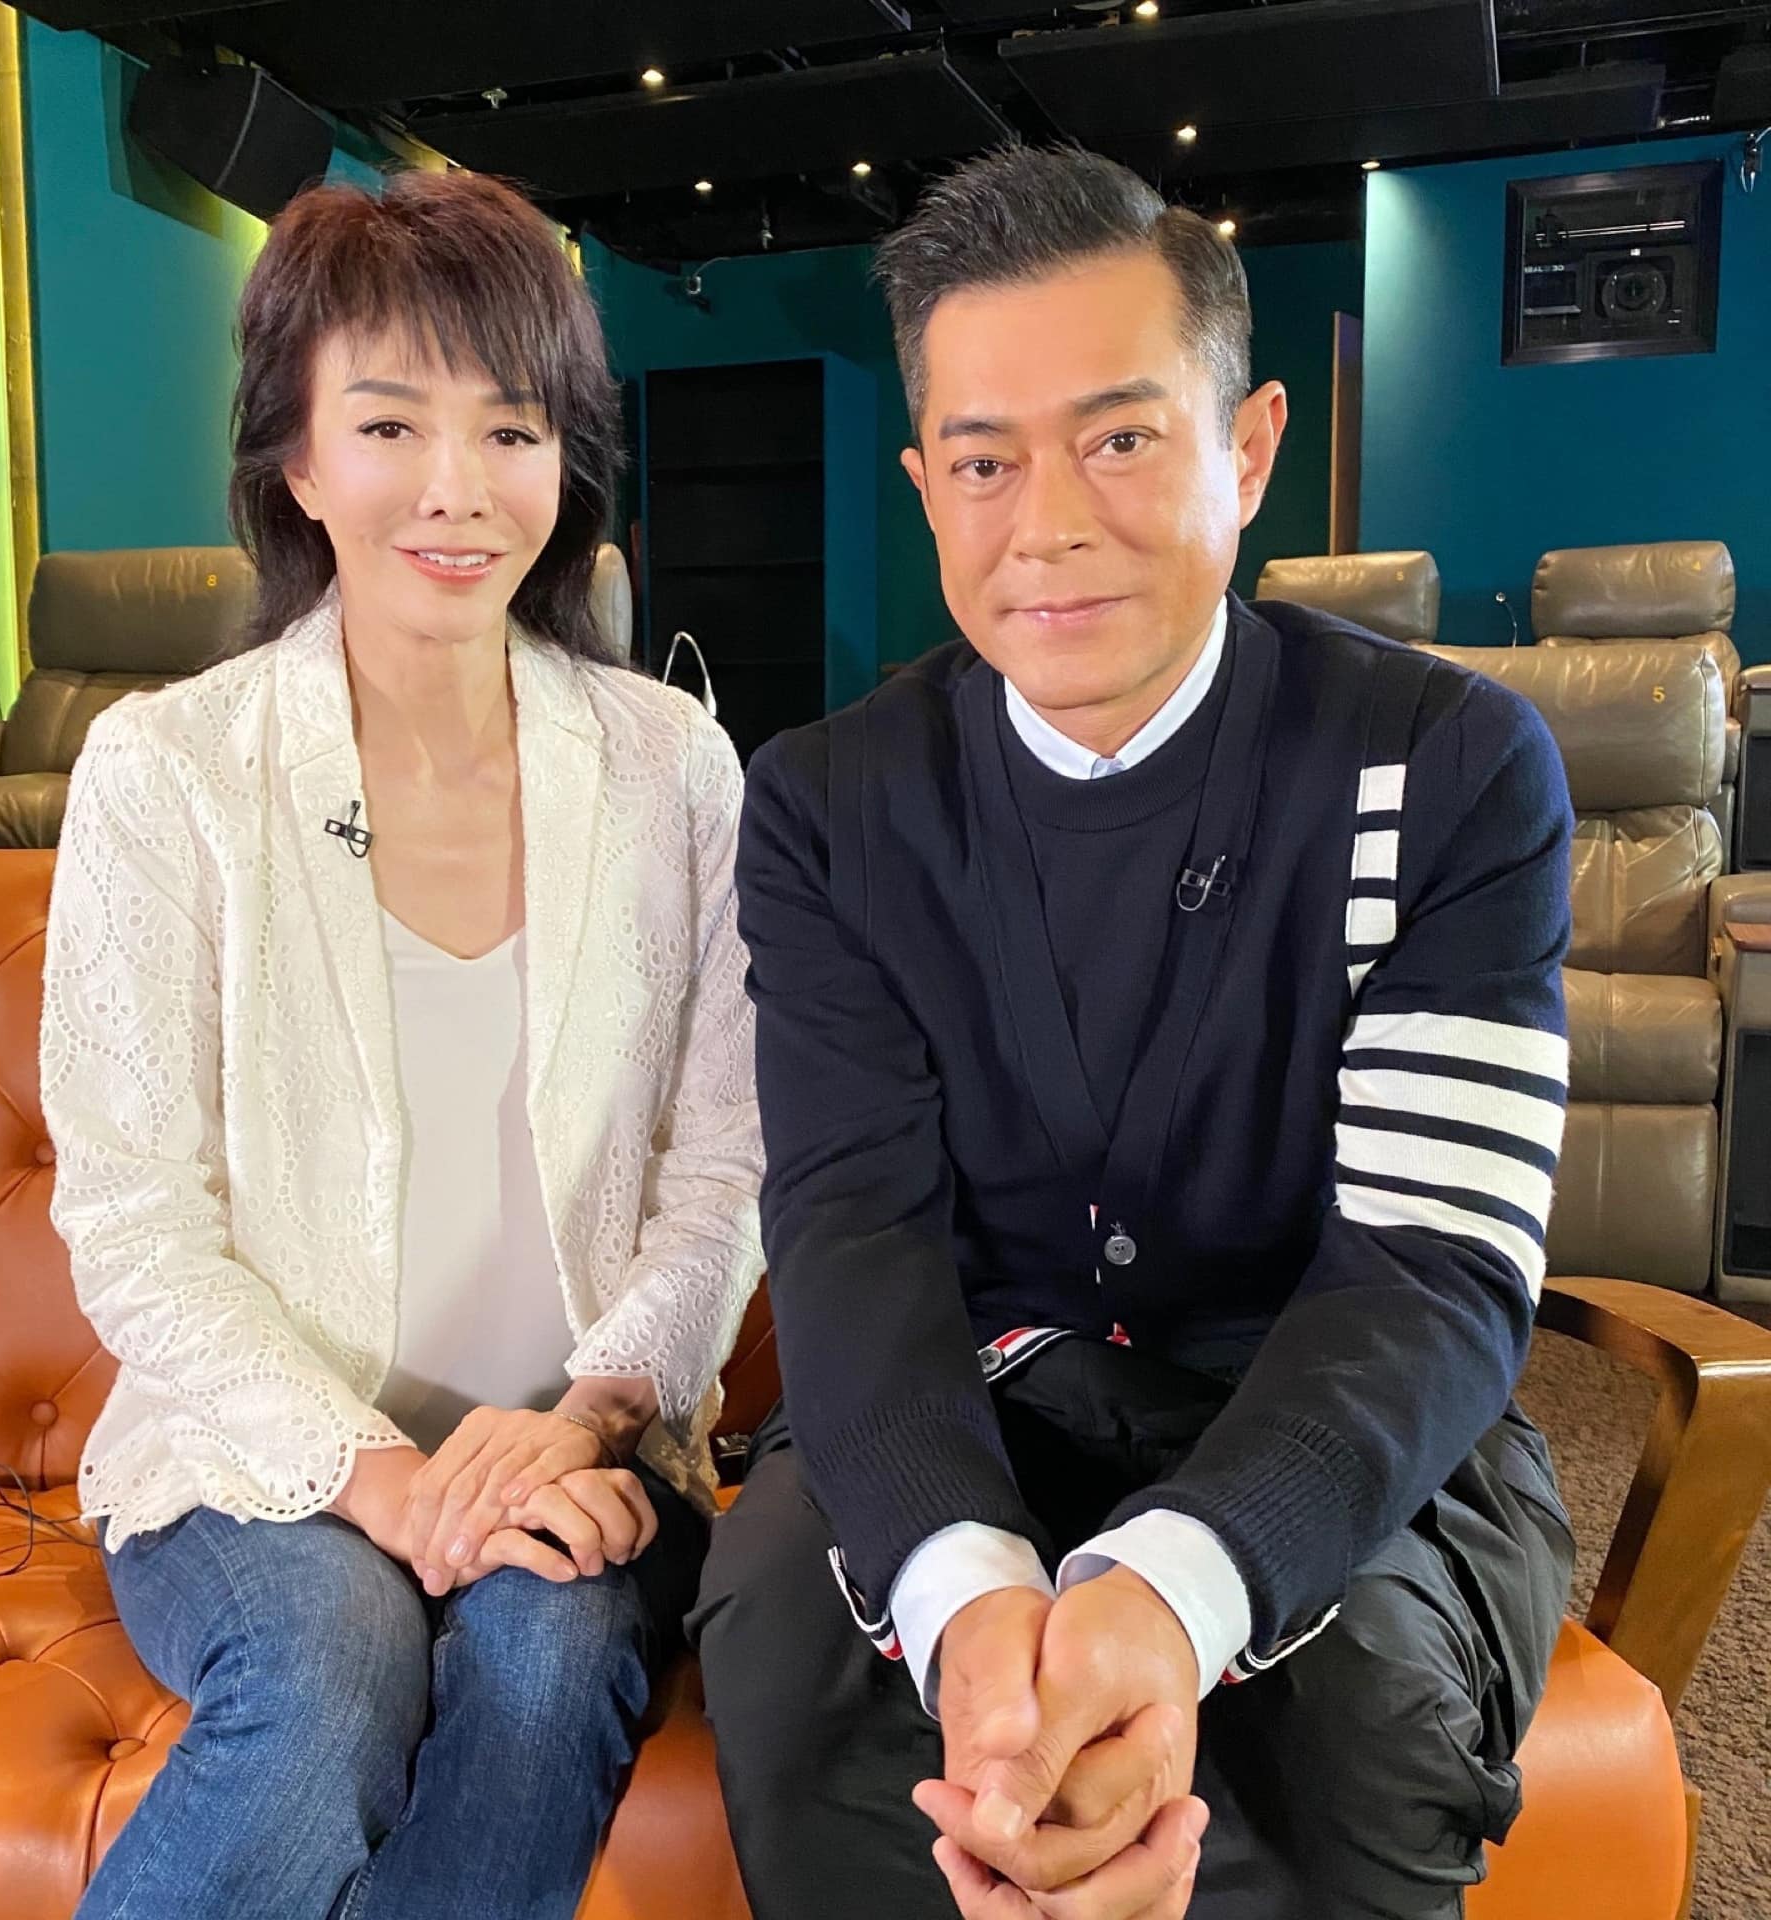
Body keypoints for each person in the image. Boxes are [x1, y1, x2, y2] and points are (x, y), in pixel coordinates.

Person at [693, 145, 1575, 1920]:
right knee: (801, 1666)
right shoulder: (829, 808)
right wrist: (974, 1601)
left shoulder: (1450, 769)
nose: (1047, 524)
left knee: (1358, 1723)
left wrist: (1172, 1590)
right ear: (925, 485)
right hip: (979, 1390)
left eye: (1118, 439)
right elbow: (855, 1235)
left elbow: (1430, 1261)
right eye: (983, 462)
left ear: (1247, 448)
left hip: (1328, 1387)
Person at [40, 167, 763, 1920]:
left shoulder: (672, 765)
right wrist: (388, 1485)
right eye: (388, 424)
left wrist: (592, 1417)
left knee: (541, 1663)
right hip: (257, 1462)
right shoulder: (170, 771)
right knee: (329, 1680)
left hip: (582, 1447)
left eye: (510, 430)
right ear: (296, 461)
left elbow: (730, 1166)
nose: (457, 488)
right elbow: (134, 1222)